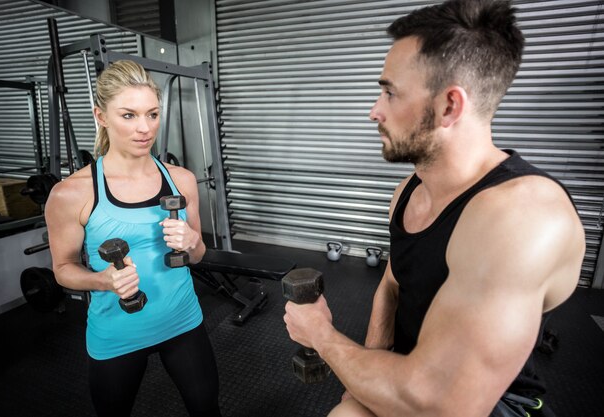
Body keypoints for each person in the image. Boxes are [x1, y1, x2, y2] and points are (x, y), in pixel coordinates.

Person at [283, 1, 586, 416]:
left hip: (487, 402)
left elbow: (443, 405)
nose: (375, 110)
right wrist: (363, 383)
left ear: (449, 107)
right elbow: (393, 285)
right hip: (412, 373)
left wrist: (321, 335)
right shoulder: (409, 191)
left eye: (389, 92)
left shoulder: (525, 214)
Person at [45, 60, 222, 417]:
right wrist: (102, 280)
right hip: (117, 332)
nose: (145, 129)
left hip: (182, 319)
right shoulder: (72, 194)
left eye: (152, 114)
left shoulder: (182, 180)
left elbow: (199, 255)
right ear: (101, 116)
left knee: (207, 411)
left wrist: (192, 242)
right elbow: (63, 269)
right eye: (128, 115)